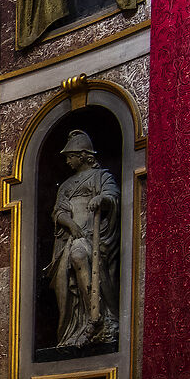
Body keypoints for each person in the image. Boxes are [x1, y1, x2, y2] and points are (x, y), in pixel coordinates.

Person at [46, 130, 120, 351]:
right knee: (74, 256)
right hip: (72, 237)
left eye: (70, 156)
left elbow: (112, 195)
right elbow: (57, 212)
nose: (67, 161)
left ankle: (98, 319)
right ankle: (79, 326)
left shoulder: (101, 176)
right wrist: (71, 224)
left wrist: (103, 198)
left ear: (83, 155)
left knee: (80, 253)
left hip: (96, 237)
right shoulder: (67, 185)